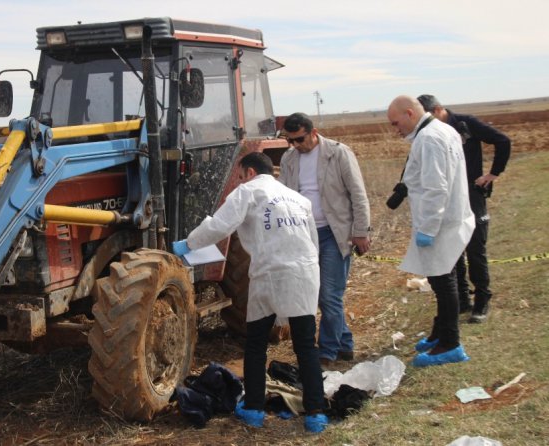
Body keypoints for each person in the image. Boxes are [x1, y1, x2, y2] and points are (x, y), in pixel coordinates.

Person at [172, 152, 328, 433]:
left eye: (241, 176)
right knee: (305, 345)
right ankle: (315, 414)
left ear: (251, 172)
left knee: (256, 344)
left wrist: (189, 243)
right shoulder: (298, 199)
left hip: (270, 273)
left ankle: (254, 409)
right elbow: (312, 241)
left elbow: (220, 226)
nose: (240, 181)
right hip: (304, 273)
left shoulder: (248, 191)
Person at [386, 95, 475, 367]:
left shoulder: (430, 138)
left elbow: (437, 187)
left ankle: (450, 343)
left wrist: (428, 228)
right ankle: (440, 334)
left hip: (441, 223)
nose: (394, 128)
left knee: (443, 282)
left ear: (410, 114)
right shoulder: (440, 130)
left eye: (395, 122)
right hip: (450, 219)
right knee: (446, 278)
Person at [279, 112, 371, 368]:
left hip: (334, 232)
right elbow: (284, 195)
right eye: (290, 141)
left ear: (313, 132)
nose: (295, 145)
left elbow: (358, 194)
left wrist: (361, 231)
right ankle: (345, 342)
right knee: (319, 294)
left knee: (330, 294)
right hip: (305, 234)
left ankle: (327, 351)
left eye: (299, 139)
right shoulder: (289, 158)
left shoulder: (339, 153)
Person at [417, 94, 511, 323]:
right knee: (452, 248)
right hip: (446, 199)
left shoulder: (465, 124)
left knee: (475, 248)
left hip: (471, 194)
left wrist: (492, 174)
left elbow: (503, 141)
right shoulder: (428, 133)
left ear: (438, 109)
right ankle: (462, 300)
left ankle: (482, 301)